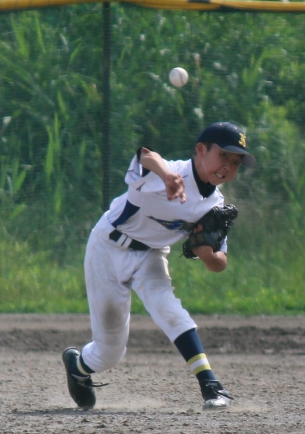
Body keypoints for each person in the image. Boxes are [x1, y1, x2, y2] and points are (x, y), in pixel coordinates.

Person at [62, 122, 256, 411]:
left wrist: (206, 253)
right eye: (223, 155)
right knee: (109, 353)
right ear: (201, 150)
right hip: (107, 248)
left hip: (150, 256)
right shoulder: (169, 172)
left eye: (236, 162)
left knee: (169, 309)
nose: (228, 166)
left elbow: (219, 263)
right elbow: (145, 156)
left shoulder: (214, 205)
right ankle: (77, 366)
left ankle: (211, 385)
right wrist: (167, 176)